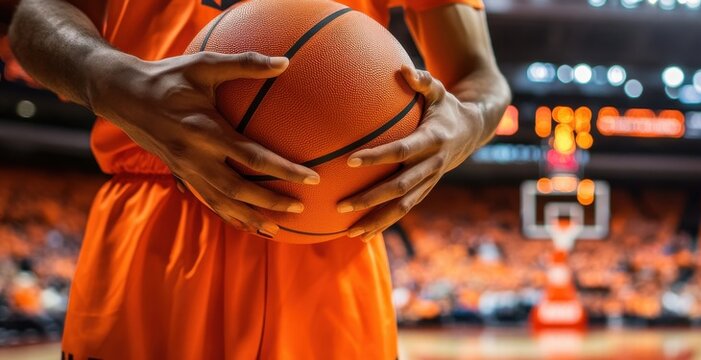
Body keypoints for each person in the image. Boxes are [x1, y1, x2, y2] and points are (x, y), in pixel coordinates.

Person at [6, 0, 510, 358]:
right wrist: (107, 77)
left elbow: (481, 79)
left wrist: (467, 123)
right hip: (153, 211)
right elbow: (33, 14)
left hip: (334, 232)